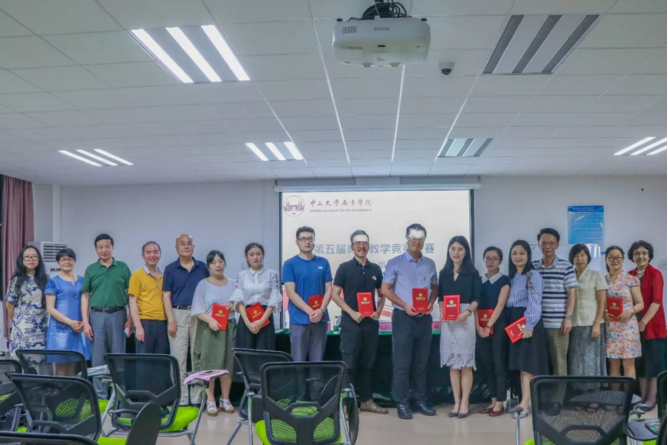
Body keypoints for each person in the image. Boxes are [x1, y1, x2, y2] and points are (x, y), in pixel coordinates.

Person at [381, 223, 438, 420]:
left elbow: (434, 287)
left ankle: (420, 399)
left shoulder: (430, 263)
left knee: (422, 362)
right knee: (402, 362)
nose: (416, 242)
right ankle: (402, 402)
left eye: (420, 239)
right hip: (403, 318)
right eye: (413, 238)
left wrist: (431, 302)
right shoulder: (395, 263)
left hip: (424, 319)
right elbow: (385, 289)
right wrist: (405, 305)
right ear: (407, 239)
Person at [332, 230, 387, 415]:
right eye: (358, 243)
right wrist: (352, 312)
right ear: (352, 246)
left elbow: (382, 294)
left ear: (368, 246)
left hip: (370, 324)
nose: (361, 246)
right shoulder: (344, 268)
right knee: (349, 365)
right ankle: (346, 405)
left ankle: (366, 401)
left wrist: (379, 311)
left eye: (364, 243)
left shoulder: (375, 269)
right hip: (351, 323)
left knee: (367, 364)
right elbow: (334, 295)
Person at [81, 234, 131, 399]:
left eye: (107, 246)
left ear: (112, 248)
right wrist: (86, 322)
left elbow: (131, 296)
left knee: (118, 357)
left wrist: (131, 319)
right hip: (96, 316)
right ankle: (100, 396)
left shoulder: (123, 267)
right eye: (100, 247)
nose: (104, 250)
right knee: (98, 359)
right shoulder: (91, 269)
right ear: (96, 249)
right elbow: (85, 296)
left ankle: (119, 396)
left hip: (118, 315)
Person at [162, 234, 210, 405]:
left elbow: (209, 291)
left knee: (198, 357)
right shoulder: (170, 269)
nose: (186, 246)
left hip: (199, 315)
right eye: (182, 244)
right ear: (176, 248)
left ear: (193, 247)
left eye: (189, 243)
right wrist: (171, 320)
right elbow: (166, 296)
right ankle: (181, 399)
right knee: (178, 358)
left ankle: (197, 398)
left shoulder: (203, 267)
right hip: (178, 314)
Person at [438, 236, 480, 419]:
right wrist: (442, 311)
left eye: (460, 249)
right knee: (453, 365)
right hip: (449, 323)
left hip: (465, 320)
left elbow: (477, 298)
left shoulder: (472, 273)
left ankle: (465, 402)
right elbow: (440, 297)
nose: (456, 252)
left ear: (466, 252)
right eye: (453, 248)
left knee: (465, 364)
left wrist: (468, 312)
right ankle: (456, 402)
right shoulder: (444, 273)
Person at [506, 240, 548, 419]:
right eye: (514, 253)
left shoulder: (533, 275)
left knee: (527, 366)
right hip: (514, 323)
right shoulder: (512, 276)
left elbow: (535, 300)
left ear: (528, 255)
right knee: (520, 364)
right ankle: (527, 400)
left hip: (527, 322)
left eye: (522, 253)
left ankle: (524, 404)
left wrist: (529, 325)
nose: (518, 256)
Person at [192, 250, 236, 417]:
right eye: (214, 262)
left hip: (229, 328)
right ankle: (210, 399)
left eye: (220, 261)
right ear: (209, 266)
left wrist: (235, 305)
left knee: (227, 364)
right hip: (210, 328)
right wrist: (210, 320)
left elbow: (241, 305)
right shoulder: (203, 285)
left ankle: (225, 399)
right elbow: (198, 310)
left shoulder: (233, 284)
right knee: (209, 365)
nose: (218, 265)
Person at [282, 226, 333, 362]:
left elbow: (329, 289)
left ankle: (316, 379)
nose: (307, 242)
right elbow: (290, 292)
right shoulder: (289, 264)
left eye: (310, 239)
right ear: (297, 242)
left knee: (318, 361)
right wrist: (310, 311)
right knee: (298, 361)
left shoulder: (323, 262)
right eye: (303, 239)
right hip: (299, 319)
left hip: (320, 319)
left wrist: (321, 310)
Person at [532, 228, 577, 376]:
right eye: (544, 243)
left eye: (551, 243)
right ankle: (540, 391)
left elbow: (572, 294)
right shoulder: (533, 267)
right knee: (539, 363)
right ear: (539, 244)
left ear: (557, 245)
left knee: (559, 364)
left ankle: (559, 392)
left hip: (558, 325)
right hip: (537, 325)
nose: (547, 246)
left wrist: (568, 318)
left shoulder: (567, 267)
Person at [628, 240, 667, 410]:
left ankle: (652, 399)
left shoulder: (655, 274)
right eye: (637, 253)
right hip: (633, 327)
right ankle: (642, 397)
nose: (641, 256)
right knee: (641, 364)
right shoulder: (629, 275)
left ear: (649, 256)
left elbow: (656, 302)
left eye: (644, 253)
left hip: (653, 326)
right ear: (632, 257)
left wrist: (643, 322)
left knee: (654, 364)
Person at [475, 246, 511, 417]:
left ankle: (500, 402)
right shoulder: (478, 280)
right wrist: (478, 326)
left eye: (495, 258)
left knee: (498, 363)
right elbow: (475, 304)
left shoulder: (504, 280)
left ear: (500, 261)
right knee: (487, 363)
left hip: (497, 327)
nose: (491, 262)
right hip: (481, 327)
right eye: (488, 258)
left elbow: (500, 304)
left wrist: (488, 325)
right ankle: (493, 399)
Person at [45, 248, 90, 375]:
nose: (67, 262)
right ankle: (60, 389)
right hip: (60, 330)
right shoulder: (53, 282)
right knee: (61, 366)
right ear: (58, 262)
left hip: (79, 328)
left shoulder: (82, 280)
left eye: (70, 259)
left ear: (74, 261)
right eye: (63, 259)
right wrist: (70, 323)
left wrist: (84, 322)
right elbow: (50, 308)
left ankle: (71, 388)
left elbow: (87, 301)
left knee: (73, 365)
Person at [568, 244, 607, 381]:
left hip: (591, 323)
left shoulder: (596, 274)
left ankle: (593, 389)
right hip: (573, 324)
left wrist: (596, 324)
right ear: (572, 258)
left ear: (588, 257)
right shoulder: (569, 275)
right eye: (576, 256)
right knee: (576, 359)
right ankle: (578, 389)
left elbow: (602, 302)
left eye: (582, 255)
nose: (580, 259)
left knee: (591, 359)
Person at [231, 243, 280, 351]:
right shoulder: (242, 275)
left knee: (265, 351)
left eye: (258, 254)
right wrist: (248, 323)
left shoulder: (272, 274)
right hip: (246, 316)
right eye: (251, 254)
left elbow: (273, 300)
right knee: (245, 352)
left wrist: (261, 321)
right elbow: (239, 300)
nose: (255, 257)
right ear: (246, 256)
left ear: (263, 255)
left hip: (265, 316)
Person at [604, 245, 643, 380]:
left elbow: (640, 303)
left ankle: (629, 393)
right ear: (606, 260)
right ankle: (615, 394)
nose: (615, 260)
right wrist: (604, 313)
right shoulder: (602, 280)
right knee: (613, 364)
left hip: (628, 326)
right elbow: (599, 302)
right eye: (611, 257)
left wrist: (630, 311)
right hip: (610, 326)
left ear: (623, 259)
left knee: (628, 364)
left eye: (618, 257)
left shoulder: (631, 279)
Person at [5, 245, 48, 358]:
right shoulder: (16, 280)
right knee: (23, 358)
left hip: (42, 325)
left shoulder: (46, 279)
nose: (31, 259)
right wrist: (18, 320)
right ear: (22, 260)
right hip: (23, 326)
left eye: (34, 256)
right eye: (27, 257)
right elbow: (9, 304)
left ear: (39, 259)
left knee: (40, 358)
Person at [128, 241, 168, 354]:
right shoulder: (136, 276)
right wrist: (138, 327)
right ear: (143, 255)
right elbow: (132, 302)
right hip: (145, 322)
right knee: (144, 360)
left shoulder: (165, 275)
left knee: (161, 359)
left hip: (163, 322)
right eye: (148, 252)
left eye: (155, 252)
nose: (152, 255)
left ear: (160, 254)